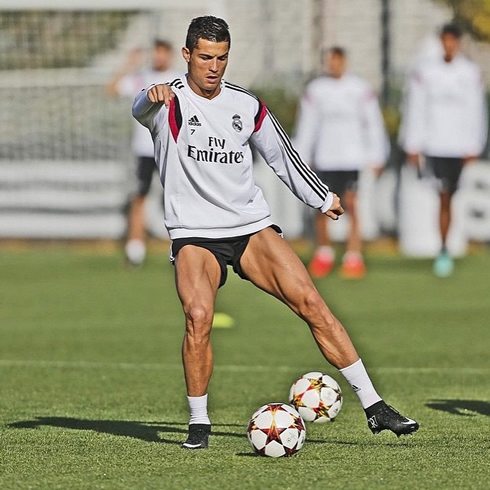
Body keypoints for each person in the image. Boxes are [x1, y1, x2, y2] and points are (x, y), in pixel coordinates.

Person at [132, 16, 418, 450]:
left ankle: (375, 406)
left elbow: (283, 157)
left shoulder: (245, 105)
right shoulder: (165, 102)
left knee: (312, 303)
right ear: (187, 55)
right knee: (199, 317)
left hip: (249, 226)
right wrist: (151, 94)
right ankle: (199, 421)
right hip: (194, 232)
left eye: (222, 58)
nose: (214, 67)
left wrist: (323, 198)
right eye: (205, 57)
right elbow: (140, 106)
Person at [399, 23, 487, 277]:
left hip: (459, 146)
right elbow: (415, 108)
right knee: (443, 196)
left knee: (452, 196)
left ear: (458, 43)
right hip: (434, 144)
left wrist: (475, 143)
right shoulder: (426, 72)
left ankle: (447, 245)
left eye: (453, 41)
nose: (449, 45)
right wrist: (413, 143)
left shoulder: (469, 73)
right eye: (445, 40)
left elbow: (476, 110)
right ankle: (444, 248)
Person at [294, 47, 388, 279]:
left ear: (344, 62)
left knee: (352, 205)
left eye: (337, 61)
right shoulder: (316, 90)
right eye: (329, 61)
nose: (333, 65)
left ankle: (353, 256)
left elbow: (373, 123)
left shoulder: (359, 89)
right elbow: (307, 125)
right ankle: (324, 253)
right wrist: (301, 157)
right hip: (325, 157)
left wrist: (376, 154)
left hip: (351, 157)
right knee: (322, 206)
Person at [106, 39, 180, 266]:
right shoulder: (141, 78)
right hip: (145, 151)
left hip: (172, 149)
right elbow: (111, 90)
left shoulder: (179, 80)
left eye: (162, 53)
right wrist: (128, 64)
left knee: (179, 197)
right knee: (139, 197)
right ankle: (135, 252)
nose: (159, 57)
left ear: (170, 55)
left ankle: (185, 248)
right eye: (155, 53)